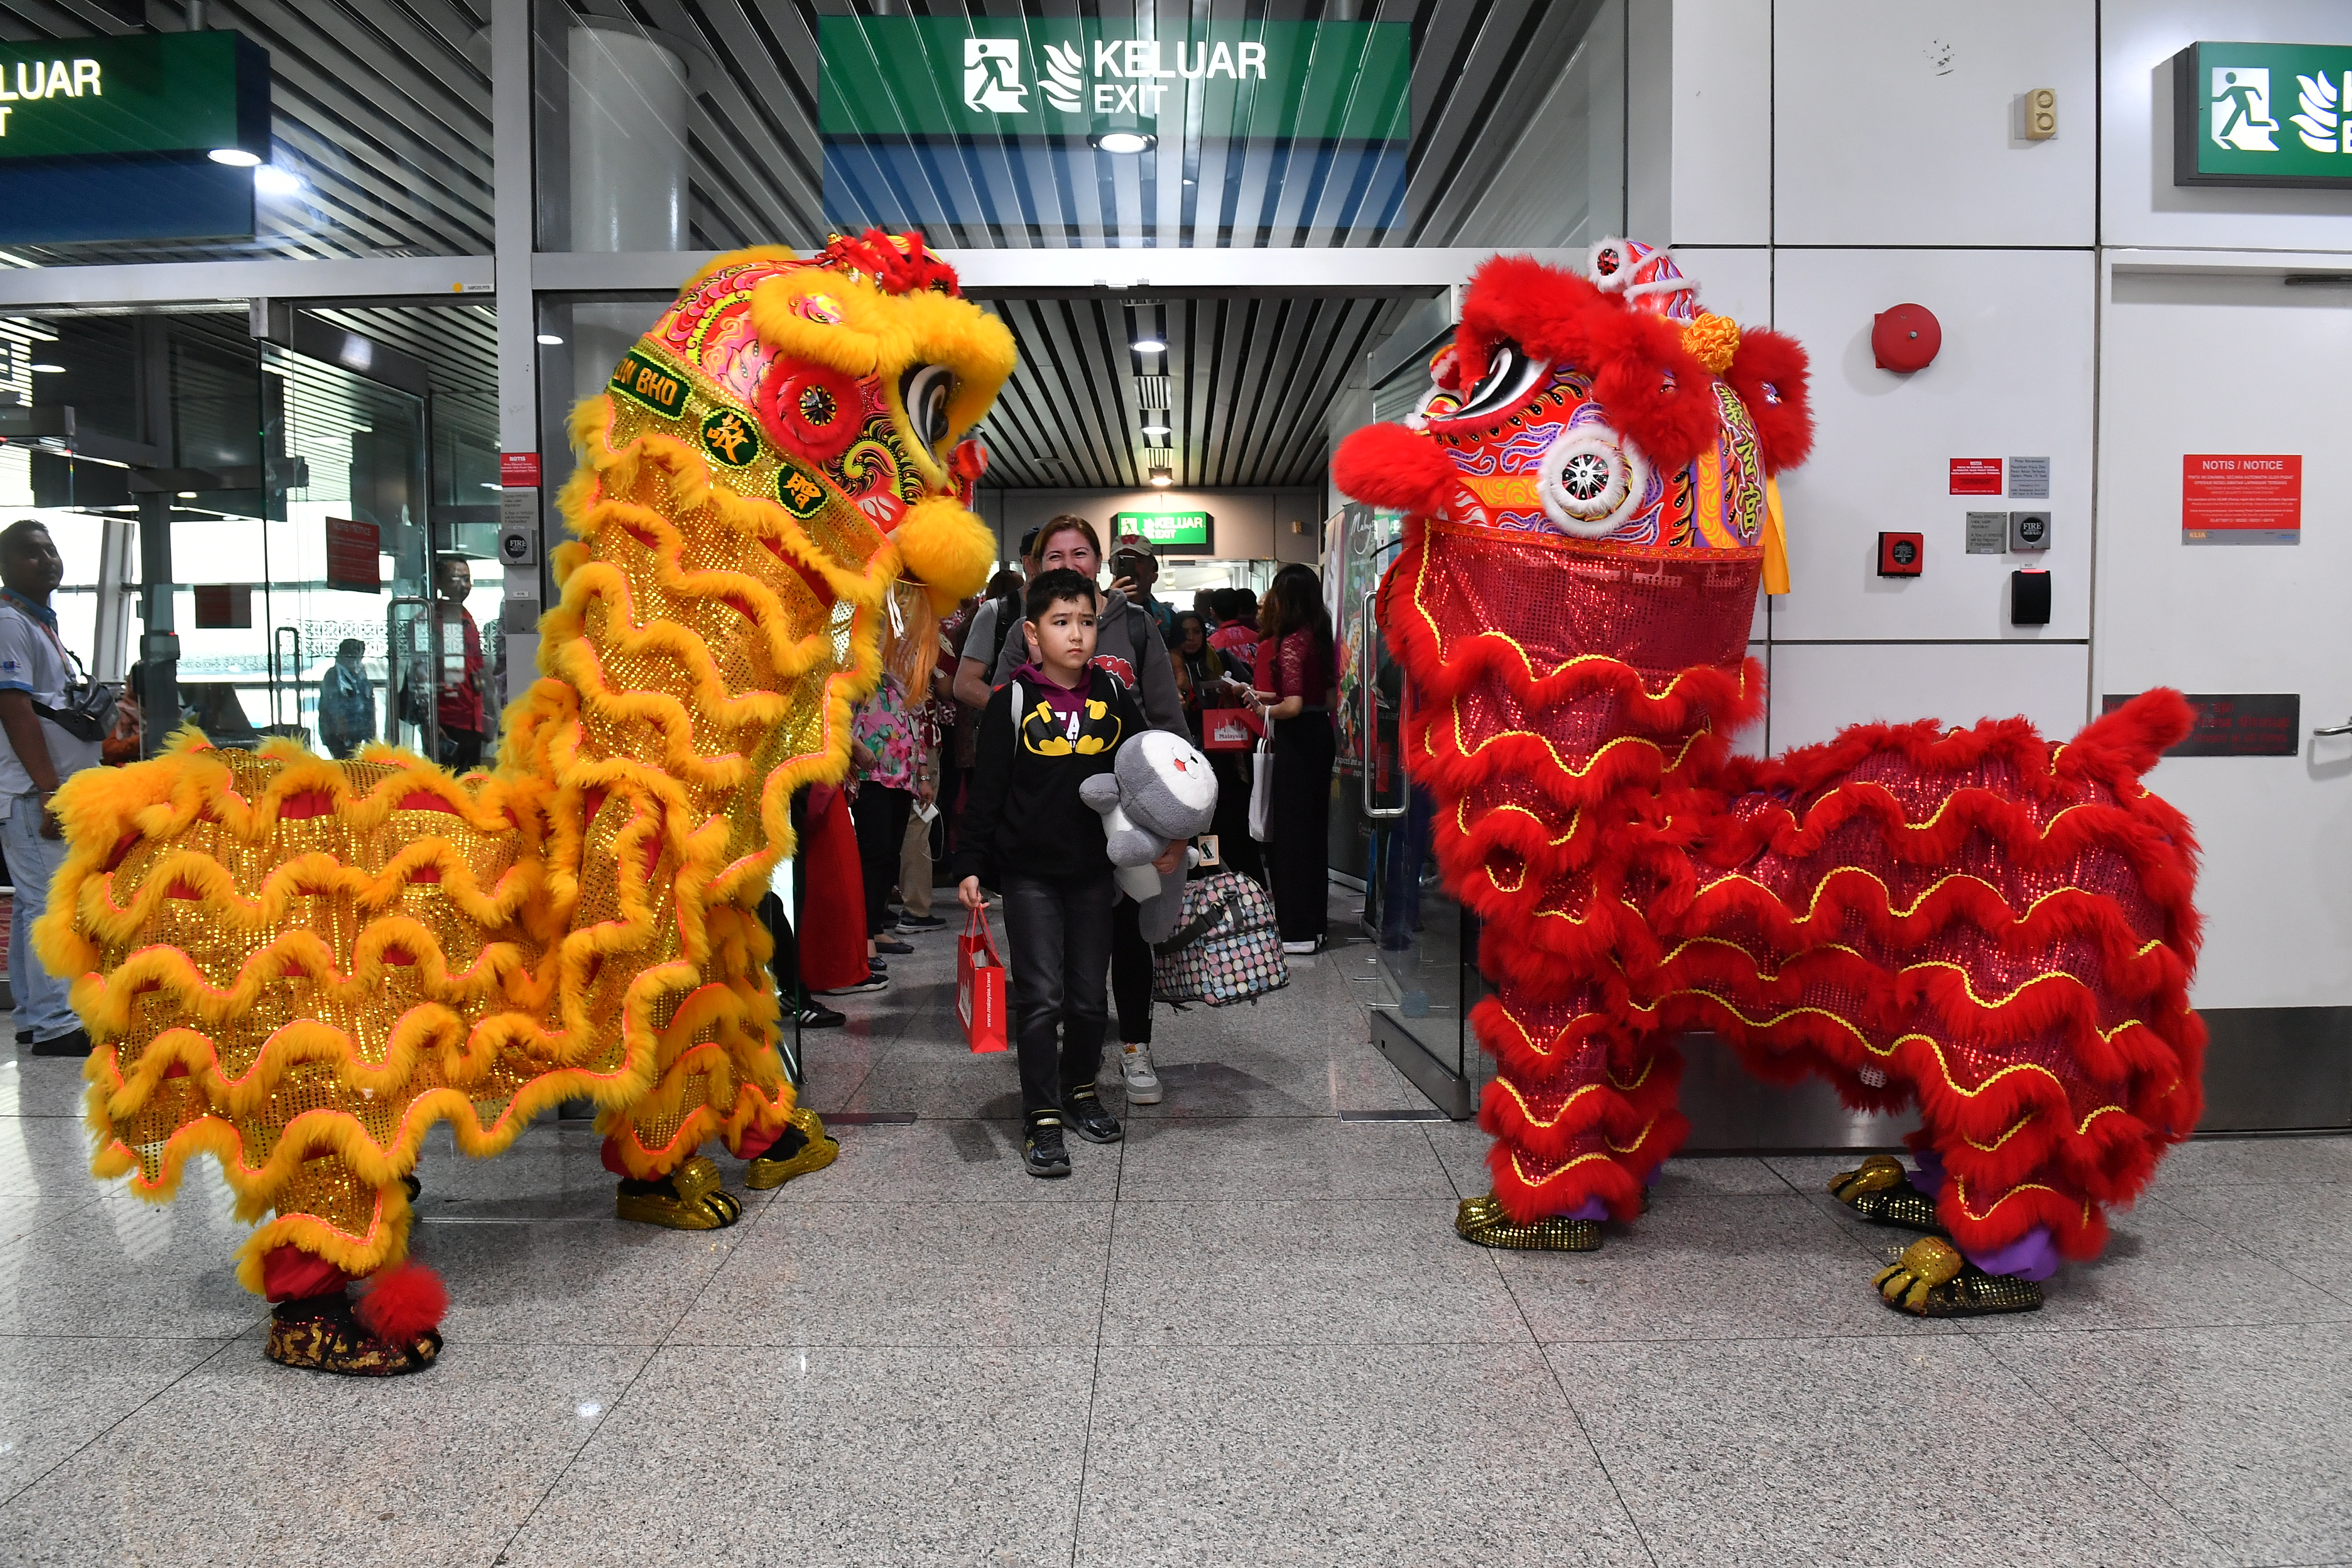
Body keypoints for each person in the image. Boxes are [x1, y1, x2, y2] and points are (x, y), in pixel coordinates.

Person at [955, 569, 1178, 1176]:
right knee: (1042, 997)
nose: (1075, 635)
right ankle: (1042, 1113)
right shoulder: (1013, 702)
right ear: (1032, 634)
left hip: (1092, 873)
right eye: (1060, 623)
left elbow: (1143, 767)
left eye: (1084, 621)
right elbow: (989, 791)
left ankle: (1080, 1088)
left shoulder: (1110, 693)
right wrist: (972, 862)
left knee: (1086, 998)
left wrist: (1164, 830)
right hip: (1028, 873)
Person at [984, 518, 1186, 1103]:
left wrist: (1175, 817)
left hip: (1124, 826)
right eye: (1054, 554)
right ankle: (1063, 1076)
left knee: (1126, 943)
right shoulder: (1027, 635)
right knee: (1057, 967)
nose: (1067, 562)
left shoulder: (1137, 626)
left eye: (1079, 553)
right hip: (1047, 833)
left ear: (1098, 563)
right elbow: (1003, 708)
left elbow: (1164, 726)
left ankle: (1133, 1049)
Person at [0, 519, 102, 1056]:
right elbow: (14, 710)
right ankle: (58, 1024)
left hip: (45, 790)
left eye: (51, 550)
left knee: (30, 906)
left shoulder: (38, 624)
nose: (48, 561)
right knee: (50, 906)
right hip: (30, 794)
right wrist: (48, 790)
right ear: (7, 565)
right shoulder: (9, 623)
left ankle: (31, 1015)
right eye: (31, 554)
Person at [1245, 568, 1337, 954]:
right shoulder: (1318, 637)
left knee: (1291, 837)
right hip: (1321, 737)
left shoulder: (1290, 642)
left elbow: (1294, 706)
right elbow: (1327, 701)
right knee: (1314, 835)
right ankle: (1314, 924)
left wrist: (1263, 708)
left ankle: (1294, 932)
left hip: (1297, 742)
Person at [849, 670, 919, 964]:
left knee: (891, 855)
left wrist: (923, 772)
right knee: (873, 855)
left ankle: (876, 927)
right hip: (870, 775)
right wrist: (856, 749)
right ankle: (863, 936)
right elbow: (836, 718)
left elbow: (917, 723)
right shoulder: (854, 674)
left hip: (903, 776)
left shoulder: (902, 679)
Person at [431, 556, 488, 770]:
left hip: (471, 719)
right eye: (456, 579)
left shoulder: (467, 618)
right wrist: (431, 723)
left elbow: (476, 668)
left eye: (467, 579)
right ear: (439, 582)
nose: (464, 586)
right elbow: (421, 674)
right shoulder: (429, 620)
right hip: (447, 722)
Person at [1111, 532, 1178, 645]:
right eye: (1123, 560)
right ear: (1111, 565)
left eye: (1138, 561)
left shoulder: (1166, 618)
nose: (1132, 567)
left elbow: (1175, 662)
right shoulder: (1097, 609)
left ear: (1151, 567)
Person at [317, 638, 376, 759]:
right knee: (345, 762)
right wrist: (343, 731)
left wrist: (370, 731)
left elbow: (367, 701)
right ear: (344, 657)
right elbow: (334, 708)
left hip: (358, 729)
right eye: (353, 657)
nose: (356, 662)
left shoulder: (360, 674)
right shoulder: (333, 675)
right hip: (338, 733)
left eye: (359, 658)